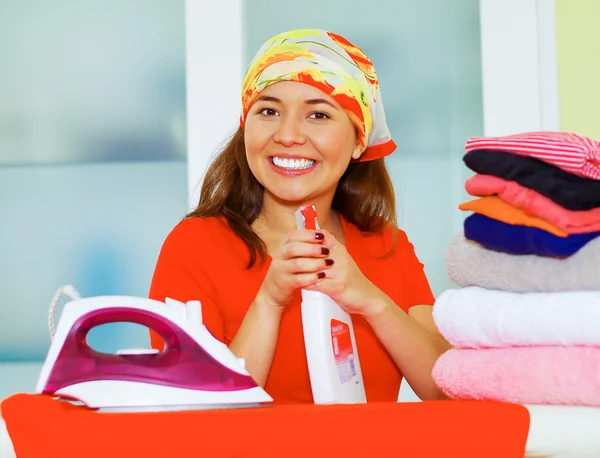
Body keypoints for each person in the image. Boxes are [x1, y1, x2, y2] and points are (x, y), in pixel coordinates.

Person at [149, 28, 451, 403]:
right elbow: (195, 411)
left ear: (359, 141)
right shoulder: (194, 246)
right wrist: (270, 300)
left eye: (319, 114)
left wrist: (371, 300)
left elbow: (448, 393)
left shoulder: (388, 247)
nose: (288, 135)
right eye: (269, 111)